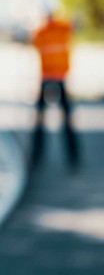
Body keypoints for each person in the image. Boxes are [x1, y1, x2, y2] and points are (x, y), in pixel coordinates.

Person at [30, 13, 79, 169]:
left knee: (65, 118)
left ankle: (72, 156)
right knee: (40, 119)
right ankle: (37, 155)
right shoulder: (43, 31)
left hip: (58, 77)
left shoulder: (59, 29)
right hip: (47, 77)